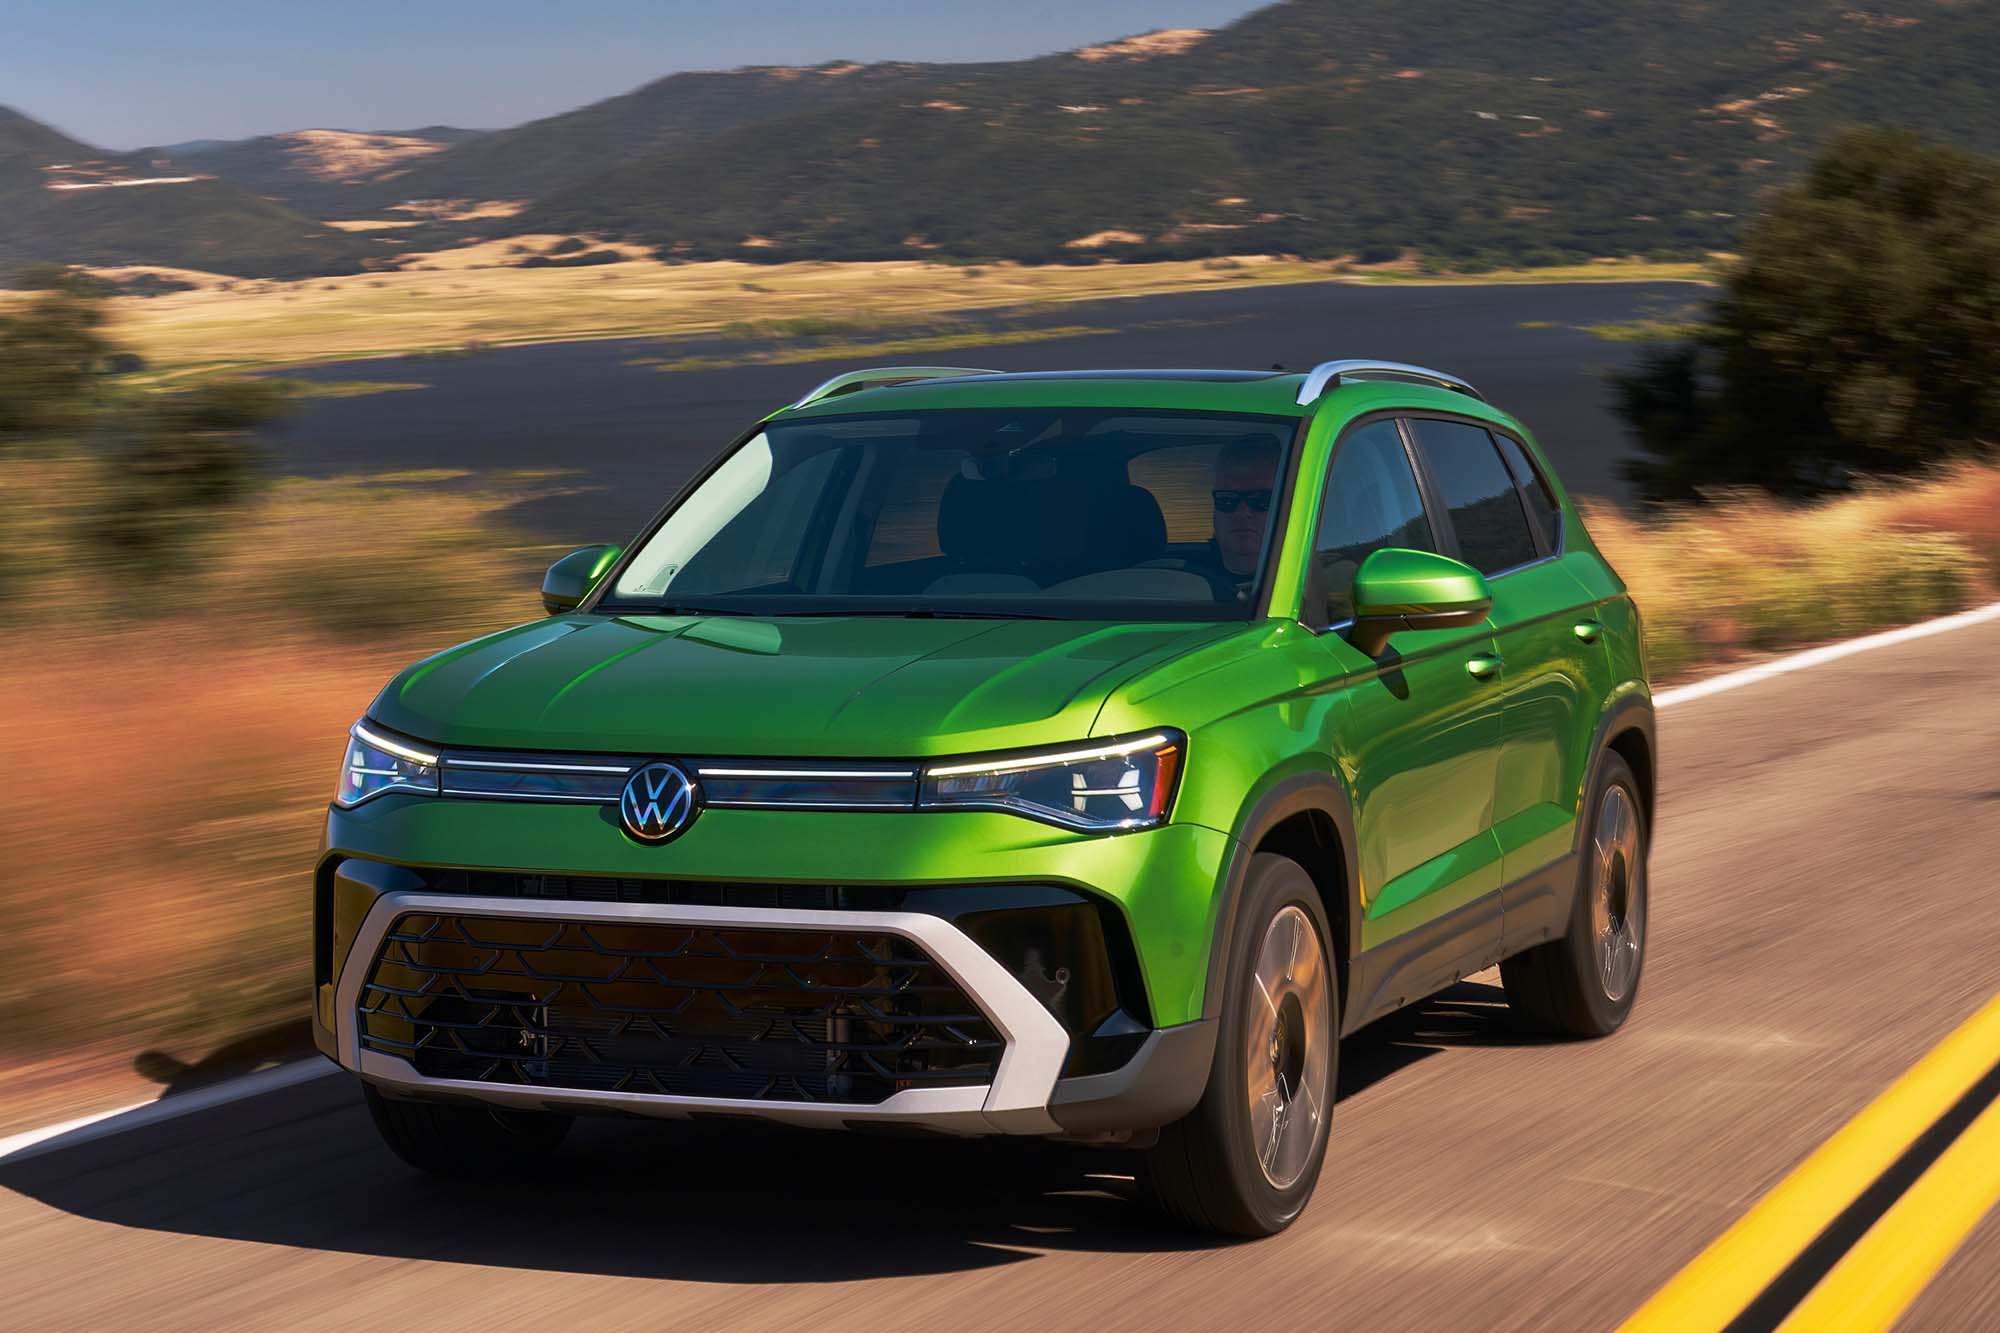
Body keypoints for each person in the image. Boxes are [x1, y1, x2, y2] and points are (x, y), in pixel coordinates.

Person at [1182, 434, 1281, 597]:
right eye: (1227, 499)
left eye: (1261, 500)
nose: (1242, 512)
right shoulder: (1180, 585)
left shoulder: (1305, 583)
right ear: (1214, 512)